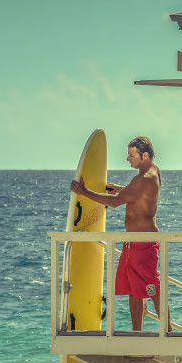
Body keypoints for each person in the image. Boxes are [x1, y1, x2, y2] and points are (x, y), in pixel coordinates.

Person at [70, 136, 163, 331]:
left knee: (152, 289)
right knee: (135, 290)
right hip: (135, 241)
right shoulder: (152, 173)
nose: (128, 159)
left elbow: (114, 203)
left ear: (144, 155)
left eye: (131, 155)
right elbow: (141, 196)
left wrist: (83, 191)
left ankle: (168, 332)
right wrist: (121, 190)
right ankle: (137, 332)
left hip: (143, 242)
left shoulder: (142, 179)